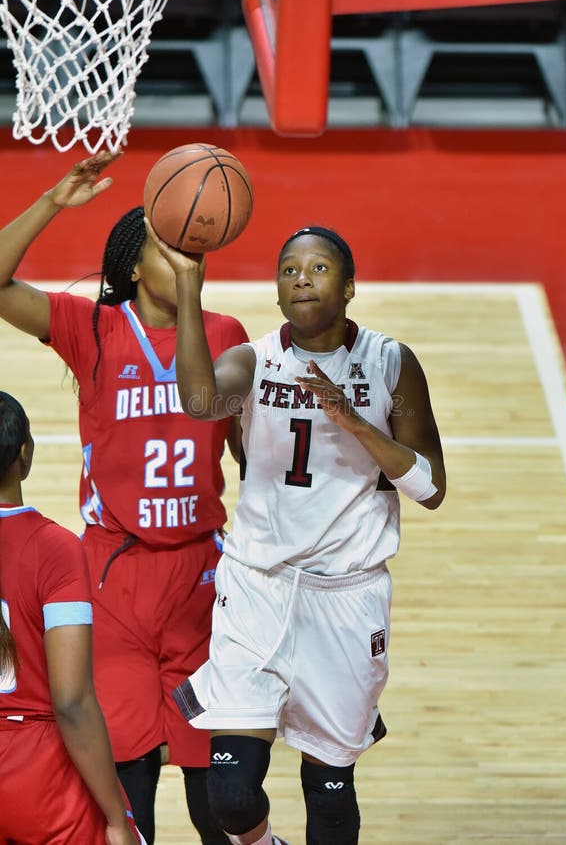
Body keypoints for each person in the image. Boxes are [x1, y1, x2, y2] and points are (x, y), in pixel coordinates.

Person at [156, 224, 447, 845]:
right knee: (231, 797)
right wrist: (188, 287)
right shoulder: (256, 360)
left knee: (331, 791)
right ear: (277, 290)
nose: (302, 279)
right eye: (289, 270)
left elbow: (430, 488)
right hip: (256, 587)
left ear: (349, 286)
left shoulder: (391, 363)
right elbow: (200, 402)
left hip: (347, 597)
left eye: (318, 269)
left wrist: (354, 421)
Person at [0, 153, 248, 845]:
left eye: (195, 249)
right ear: (135, 266)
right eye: (174, 251)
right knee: (128, 784)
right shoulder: (93, 329)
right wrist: (53, 201)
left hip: (202, 579)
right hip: (114, 579)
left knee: (219, 803)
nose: (191, 261)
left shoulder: (225, 334)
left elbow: (244, 454)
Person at [0, 391, 144, 845]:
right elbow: (72, 702)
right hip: (38, 775)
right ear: (26, 453)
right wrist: (116, 816)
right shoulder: (54, 549)